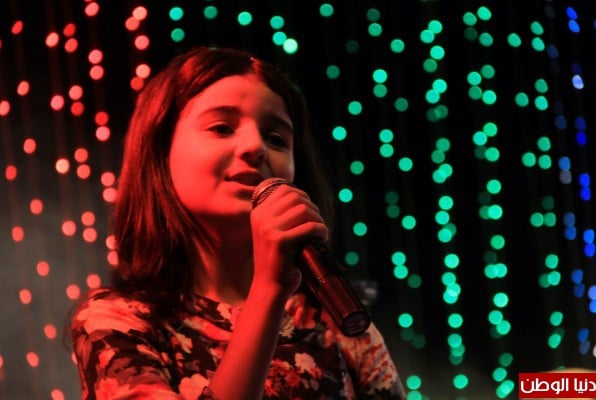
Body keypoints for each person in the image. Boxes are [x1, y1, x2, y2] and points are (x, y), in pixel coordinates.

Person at [70, 46, 406, 399]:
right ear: (160, 151)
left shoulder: (335, 322)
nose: (255, 147)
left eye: (276, 139)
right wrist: (269, 289)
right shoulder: (116, 321)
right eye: (222, 127)